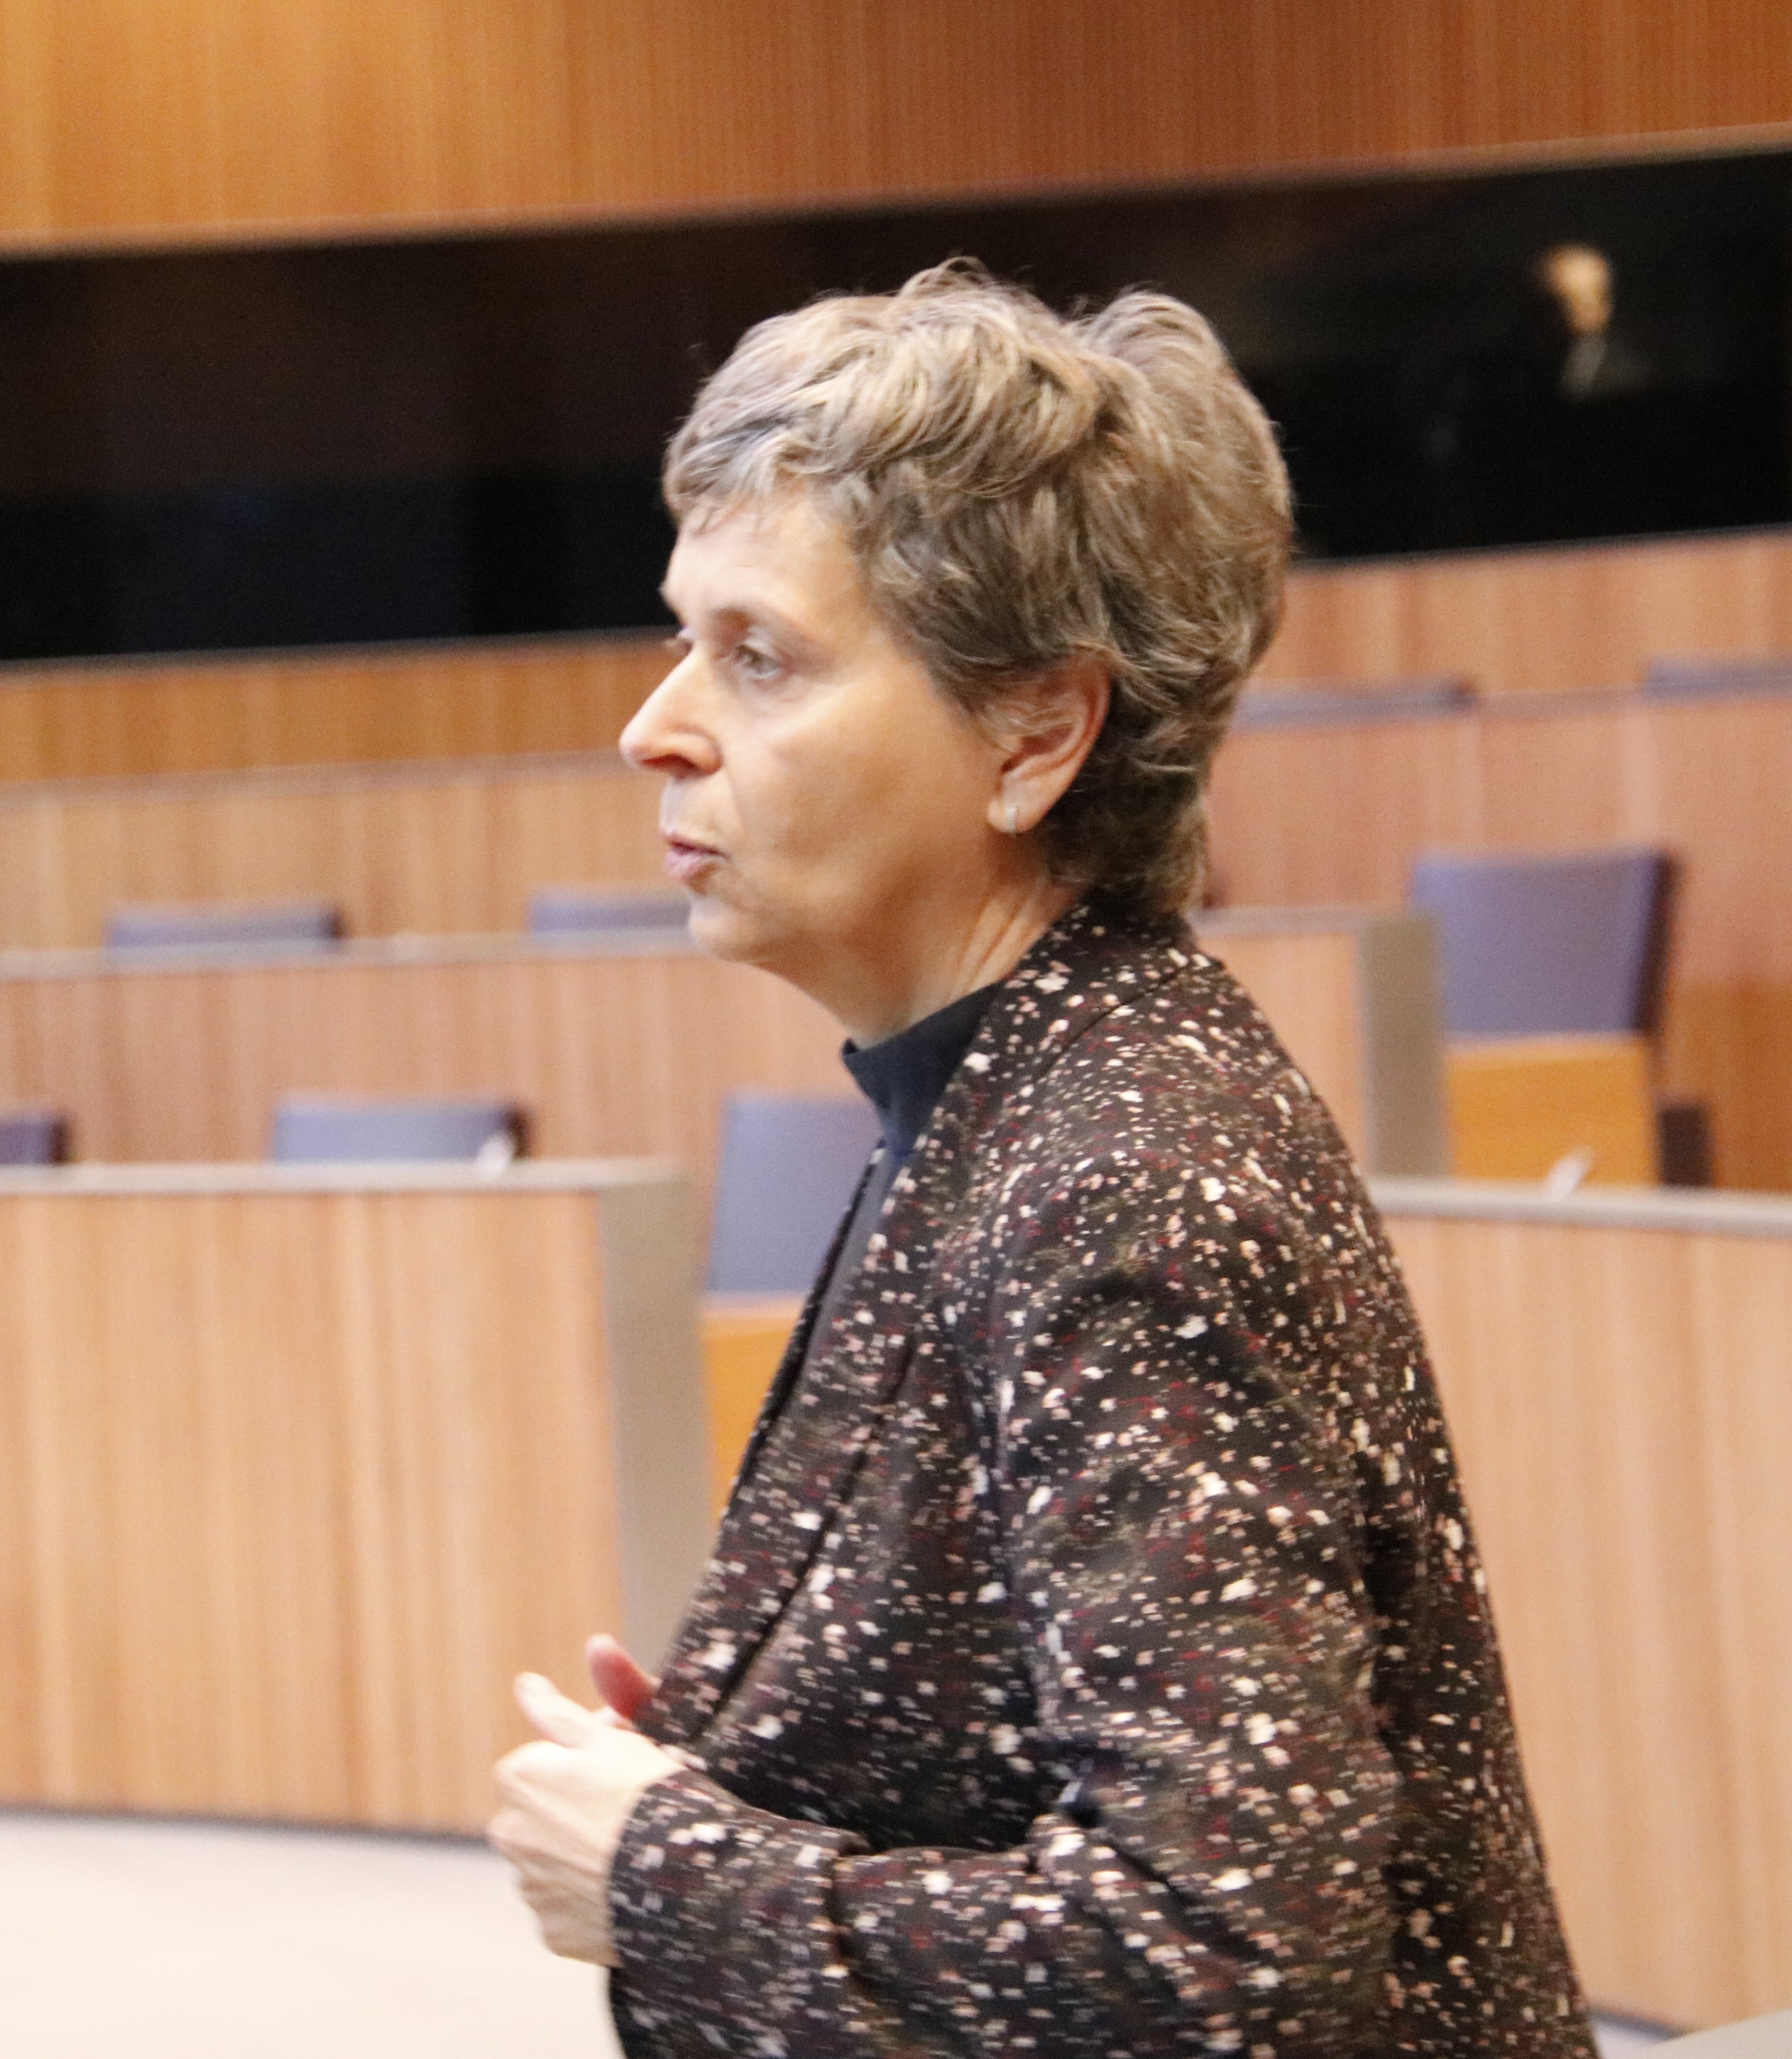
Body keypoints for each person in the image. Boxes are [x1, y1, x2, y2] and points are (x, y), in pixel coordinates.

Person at [486, 264, 1591, 2057]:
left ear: (1037, 735)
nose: (658, 722)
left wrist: (670, 1869)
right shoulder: (1014, 1088)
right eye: (683, 635)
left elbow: (1225, 1956)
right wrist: (760, 1748)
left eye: (756, 655)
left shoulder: (1126, 1173)